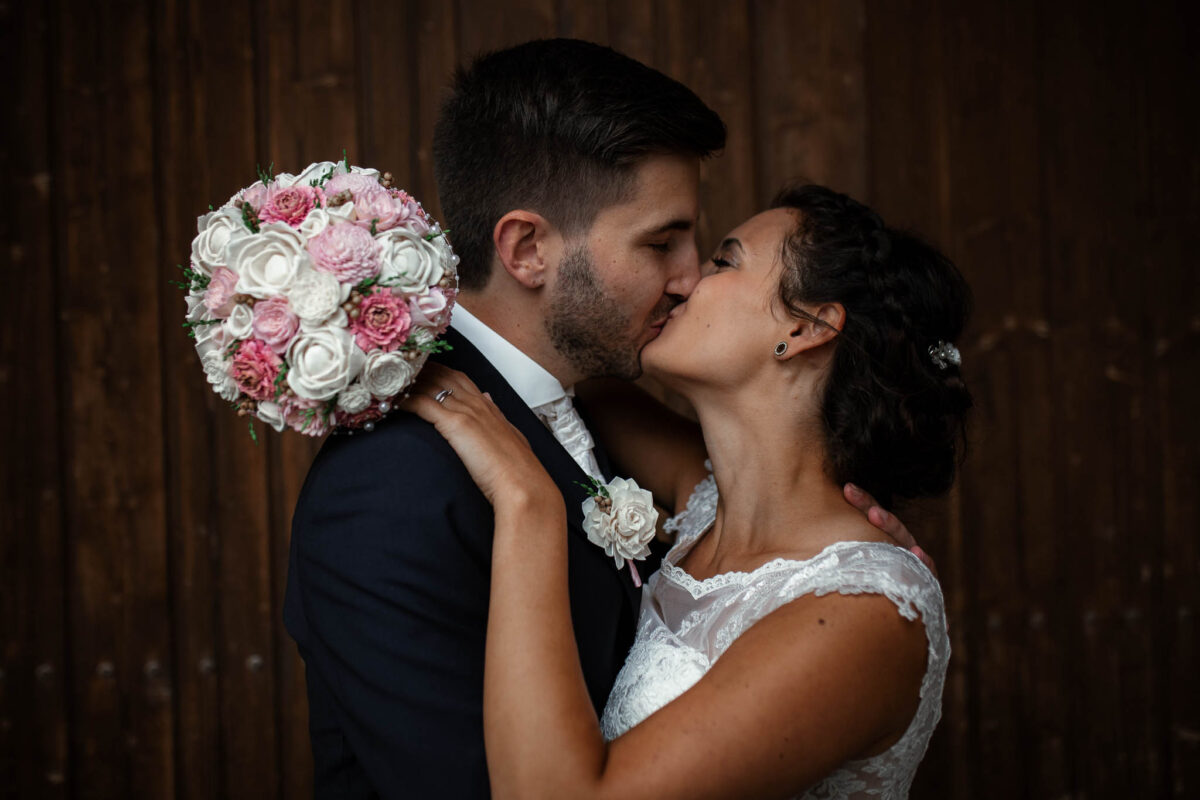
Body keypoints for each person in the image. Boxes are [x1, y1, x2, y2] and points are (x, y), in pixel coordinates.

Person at [285, 39, 918, 798]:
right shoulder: (389, 486)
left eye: (712, 254)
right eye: (662, 242)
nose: (686, 280)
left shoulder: (611, 419)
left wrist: (865, 569)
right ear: (525, 249)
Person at [403, 184, 970, 798]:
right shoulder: (707, 500)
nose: (685, 279)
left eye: (725, 261)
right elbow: (555, 357)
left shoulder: (867, 611)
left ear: (807, 328)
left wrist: (527, 501)